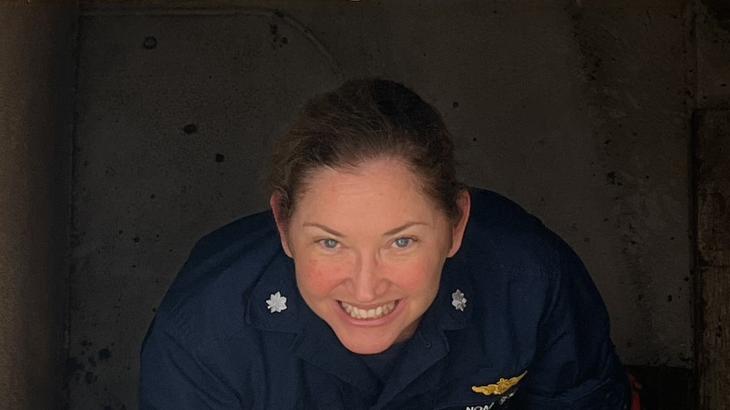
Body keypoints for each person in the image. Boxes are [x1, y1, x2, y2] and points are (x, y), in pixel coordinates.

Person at [140, 78, 630, 409]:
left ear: (456, 224)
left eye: (401, 242)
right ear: (284, 227)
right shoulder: (204, 334)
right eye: (330, 243)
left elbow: (586, 398)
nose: (366, 287)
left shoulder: (528, 279)